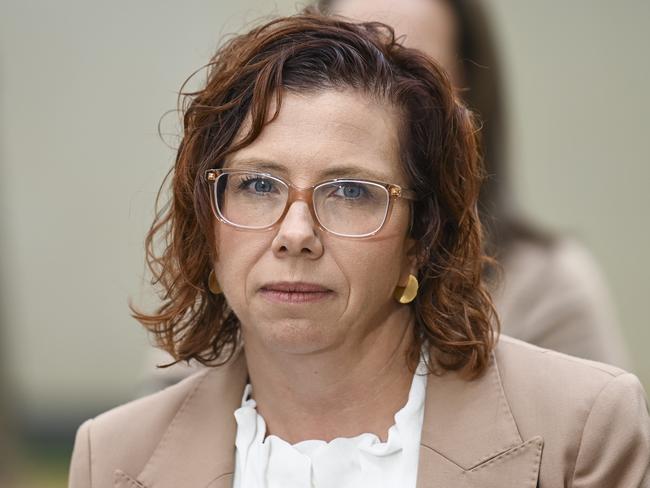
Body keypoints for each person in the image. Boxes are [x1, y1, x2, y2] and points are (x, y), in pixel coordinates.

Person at [69, 13, 650, 488]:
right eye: (258, 185)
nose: (295, 233)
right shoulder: (112, 456)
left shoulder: (583, 427)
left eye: (350, 191)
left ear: (421, 237)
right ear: (207, 220)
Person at [316, 0, 631, 367]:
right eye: (342, 59)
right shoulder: (270, 254)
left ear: (464, 94)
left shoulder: (546, 284)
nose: (366, 94)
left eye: (408, 67)